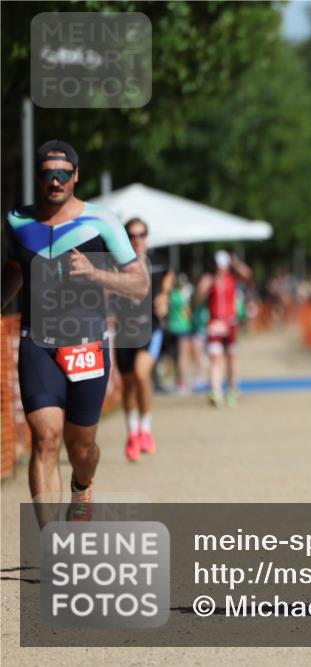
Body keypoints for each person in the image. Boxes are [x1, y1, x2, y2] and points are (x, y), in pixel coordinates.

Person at [1, 140, 149, 525]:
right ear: (38, 177)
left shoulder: (102, 222)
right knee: (46, 438)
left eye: (63, 174)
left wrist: (96, 273)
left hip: (87, 344)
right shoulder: (17, 221)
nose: (55, 181)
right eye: (48, 174)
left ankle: (82, 486)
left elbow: (139, 285)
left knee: (80, 448)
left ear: (75, 176)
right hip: (38, 342)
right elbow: (16, 268)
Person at [110, 218, 173, 461]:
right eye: (132, 235)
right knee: (128, 384)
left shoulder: (156, 263)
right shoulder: (117, 264)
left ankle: (146, 429)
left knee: (141, 374)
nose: (137, 239)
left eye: (141, 234)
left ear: (147, 236)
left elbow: (169, 274)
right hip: (125, 332)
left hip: (151, 329)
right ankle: (133, 433)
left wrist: (165, 295)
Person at [194, 249, 252, 407]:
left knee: (231, 358)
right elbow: (196, 301)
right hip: (215, 323)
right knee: (216, 358)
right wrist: (202, 288)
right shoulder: (209, 279)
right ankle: (216, 391)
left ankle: (232, 389)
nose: (221, 268)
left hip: (231, 323)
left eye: (224, 265)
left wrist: (237, 263)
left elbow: (247, 274)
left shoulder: (232, 279)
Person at [163, 273, 196, 394]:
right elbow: (187, 312)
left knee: (175, 357)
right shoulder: (181, 297)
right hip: (182, 328)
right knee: (183, 357)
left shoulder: (170, 296)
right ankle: (183, 383)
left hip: (171, 328)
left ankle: (178, 381)